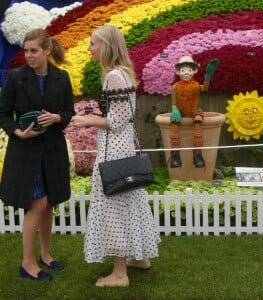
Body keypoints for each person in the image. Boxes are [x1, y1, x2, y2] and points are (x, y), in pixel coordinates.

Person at [73, 25, 160, 288]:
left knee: (113, 208)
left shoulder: (113, 76)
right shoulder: (122, 74)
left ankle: (120, 274)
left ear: (106, 46)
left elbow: (118, 120)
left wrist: (87, 119)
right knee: (129, 202)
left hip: (113, 151)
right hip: (123, 148)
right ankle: (138, 257)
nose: (89, 49)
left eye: (92, 44)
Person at [0, 28, 75, 281]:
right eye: (26, 50)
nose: (28, 55)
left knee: (49, 203)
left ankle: (46, 255)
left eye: (33, 51)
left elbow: (68, 112)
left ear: (47, 51)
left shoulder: (61, 78)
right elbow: (2, 114)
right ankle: (27, 262)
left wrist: (56, 118)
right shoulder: (15, 77)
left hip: (52, 150)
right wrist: (18, 132)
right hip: (25, 151)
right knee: (38, 203)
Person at [169, 55, 219, 168]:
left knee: (198, 120)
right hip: (180, 111)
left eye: (189, 70)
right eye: (183, 70)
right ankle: (175, 156)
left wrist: (208, 76)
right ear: (178, 72)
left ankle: (197, 155)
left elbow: (205, 88)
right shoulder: (175, 87)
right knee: (174, 122)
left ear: (194, 71)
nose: (186, 73)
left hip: (193, 111)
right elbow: (174, 102)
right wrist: (174, 109)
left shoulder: (196, 85)